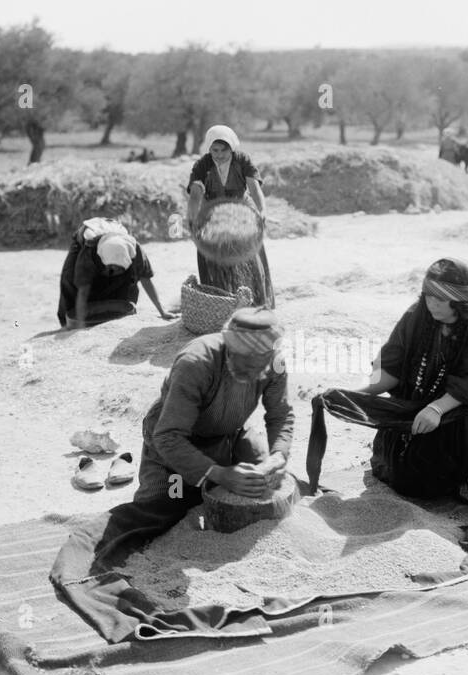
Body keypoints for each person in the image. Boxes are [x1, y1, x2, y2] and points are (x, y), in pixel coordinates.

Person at [82, 307, 293, 576]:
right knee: (166, 507)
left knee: (265, 481)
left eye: (259, 365)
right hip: (173, 444)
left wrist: (278, 457)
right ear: (229, 347)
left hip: (227, 434)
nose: (253, 372)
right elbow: (168, 436)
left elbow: (281, 415)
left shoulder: (274, 363)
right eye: (245, 362)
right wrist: (220, 474)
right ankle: (182, 487)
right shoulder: (197, 362)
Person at [312, 258, 468, 505]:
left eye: (440, 299)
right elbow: (391, 368)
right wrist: (355, 395)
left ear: (458, 300)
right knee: (410, 481)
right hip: (418, 403)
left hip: (466, 406)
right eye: (428, 296)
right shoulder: (417, 315)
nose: (431, 304)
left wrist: (436, 408)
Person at [186, 125, 275, 307]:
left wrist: (262, 211)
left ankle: (259, 302)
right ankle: (219, 302)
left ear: (231, 148)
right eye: (214, 150)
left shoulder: (242, 160)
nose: (218, 155)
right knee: (209, 250)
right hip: (214, 211)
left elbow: (254, 188)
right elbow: (195, 194)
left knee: (250, 252)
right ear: (209, 149)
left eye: (223, 150)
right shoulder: (202, 165)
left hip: (241, 208)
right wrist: (192, 219)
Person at [57, 218, 177, 329]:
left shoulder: (135, 251)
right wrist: (80, 323)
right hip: (86, 237)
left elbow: (146, 280)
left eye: (118, 268)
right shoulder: (89, 252)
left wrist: (162, 312)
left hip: (113, 234)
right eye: (111, 267)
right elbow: (83, 290)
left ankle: (122, 310)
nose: (114, 271)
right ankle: (66, 323)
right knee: (69, 280)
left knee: (127, 279)